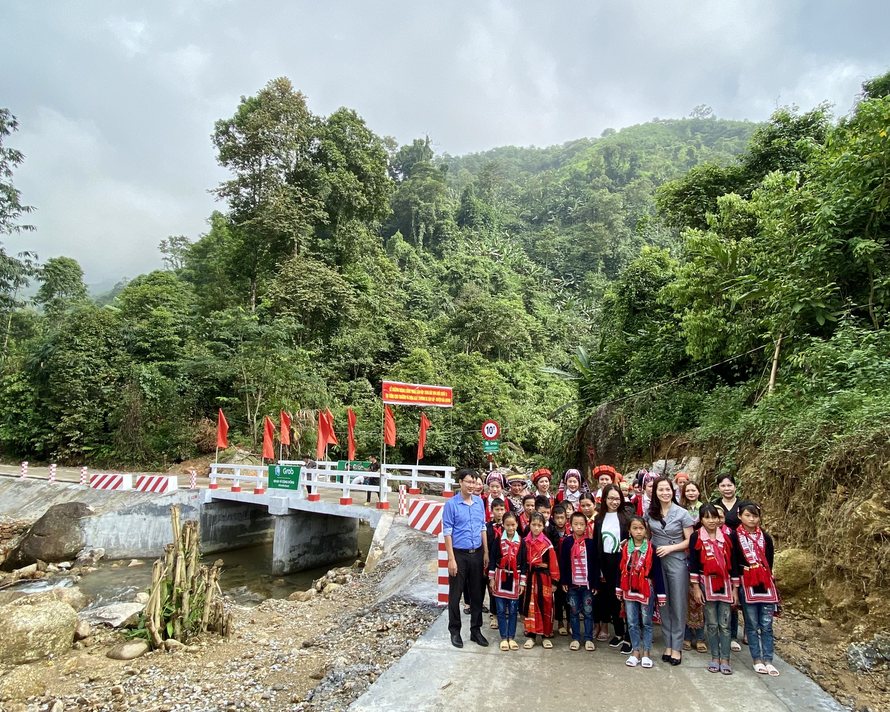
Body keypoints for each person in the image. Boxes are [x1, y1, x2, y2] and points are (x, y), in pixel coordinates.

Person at [645, 476, 694, 665]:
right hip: (657, 561)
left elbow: (690, 540)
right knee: (663, 601)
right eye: (660, 490)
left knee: (678, 603)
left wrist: (671, 548)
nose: (665, 493)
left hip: (677, 559)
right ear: (655, 493)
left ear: (673, 491)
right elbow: (647, 536)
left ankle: (677, 647)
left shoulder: (682, 513)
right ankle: (667, 643)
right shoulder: (651, 513)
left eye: (668, 489)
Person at [689, 503, 739, 675]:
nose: (711, 521)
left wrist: (735, 589)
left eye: (714, 517)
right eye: (707, 517)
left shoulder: (727, 537)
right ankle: (715, 658)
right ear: (701, 519)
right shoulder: (696, 538)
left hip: (725, 583)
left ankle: (725, 658)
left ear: (719, 519)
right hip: (705, 582)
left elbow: (733, 565)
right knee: (711, 623)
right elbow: (694, 564)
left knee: (725, 624)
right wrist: (696, 588)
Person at [443, 468, 489, 649]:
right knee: (455, 595)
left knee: (477, 594)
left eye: (475, 482)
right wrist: (451, 559)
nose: (472, 485)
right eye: (468, 482)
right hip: (459, 555)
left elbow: (482, 527)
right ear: (460, 482)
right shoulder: (451, 504)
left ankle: (476, 631)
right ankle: (455, 631)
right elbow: (447, 532)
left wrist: (485, 552)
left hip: (477, 553)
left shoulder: (479, 503)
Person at [733, 502, 780, 677]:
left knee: (767, 625)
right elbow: (734, 564)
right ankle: (757, 659)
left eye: (755, 516)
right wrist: (735, 588)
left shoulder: (765, 538)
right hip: (746, 581)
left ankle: (768, 659)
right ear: (740, 516)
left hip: (764, 582)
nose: (752, 519)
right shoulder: (734, 537)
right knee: (751, 623)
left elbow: (770, 561)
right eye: (748, 515)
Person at [617, 516, 666, 669]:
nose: (638, 531)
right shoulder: (625, 548)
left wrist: (661, 594)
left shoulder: (652, 548)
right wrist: (618, 588)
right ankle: (636, 651)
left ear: (646, 530)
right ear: (629, 531)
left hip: (646, 587)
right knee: (632, 622)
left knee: (646, 621)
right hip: (629, 586)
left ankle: (646, 653)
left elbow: (657, 572)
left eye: (641, 528)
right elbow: (620, 569)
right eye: (635, 528)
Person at [593, 484, 630, 650]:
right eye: (611, 498)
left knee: (627, 596)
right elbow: (596, 543)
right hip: (606, 562)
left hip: (623, 561)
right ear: (604, 499)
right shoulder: (599, 519)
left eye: (617, 498)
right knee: (613, 598)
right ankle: (619, 633)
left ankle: (630, 636)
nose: (614, 502)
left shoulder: (626, 517)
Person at [713, 473, 746, 649]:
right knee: (719, 593)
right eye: (723, 486)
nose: (727, 489)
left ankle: (734, 634)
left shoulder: (743, 506)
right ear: (718, 488)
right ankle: (717, 630)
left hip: (738, 550)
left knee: (736, 593)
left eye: (729, 485)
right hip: (717, 552)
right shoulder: (715, 506)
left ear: (735, 486)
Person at [559, 511, 599, 651]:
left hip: (587, 584)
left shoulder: (590, 543)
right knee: (574, 611)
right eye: (576, 524)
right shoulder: (567, 542)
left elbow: (595, 564)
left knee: (588, 611)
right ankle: (576, 637)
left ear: (586, 526)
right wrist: (564, 581)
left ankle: (588, 638)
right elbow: (563, 562)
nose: (579, 527)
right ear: (570, 525)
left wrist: (595, 583)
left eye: (582, 524)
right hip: (572, 584)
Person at [488, 511, 526, 651]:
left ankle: (512, 637)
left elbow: (524, 564)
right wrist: (491, 578)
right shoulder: (498, 540)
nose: (510, 528)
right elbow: (493, 559)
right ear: (503, 525)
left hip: (515, 579)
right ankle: (504, 637)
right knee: (501, 610)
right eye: (507, 525)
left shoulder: (521, 542)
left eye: (513, 525)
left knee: (514, 610)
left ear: (517, 525)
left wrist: (522, 582)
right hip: (500, 577)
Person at [521, 512, 560, 649]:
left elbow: (553, 563)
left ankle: (545, 635)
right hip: (530, 578)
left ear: (544, 526)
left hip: (544, 579)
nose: (536, 528)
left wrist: (555, 581)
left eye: (539, 525)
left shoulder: (547, 544)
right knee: (530, 605)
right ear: (529, 525)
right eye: (534, 525)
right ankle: (531, 635)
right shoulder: (524, 542)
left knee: (546, 605)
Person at [485, 498, 507, 628]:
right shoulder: (488, 527)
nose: (499, 512)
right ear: (492, 511)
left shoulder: (509, 526)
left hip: (505, 563)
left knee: (505, 587)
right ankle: (494, 614)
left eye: (502, 509)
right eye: (497, 510)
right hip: (492, 562)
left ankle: (504, 611)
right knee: (492, 587)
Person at [550, 504, 570, 635]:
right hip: (556, 569)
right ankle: (560, 623)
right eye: (557, 518)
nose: (560, 521)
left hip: (569, 569)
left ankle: (569, 623)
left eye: (562, 518)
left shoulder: (571, 531)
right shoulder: (551, 532)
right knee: (558, 598)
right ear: (553, 518)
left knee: (569, 598)